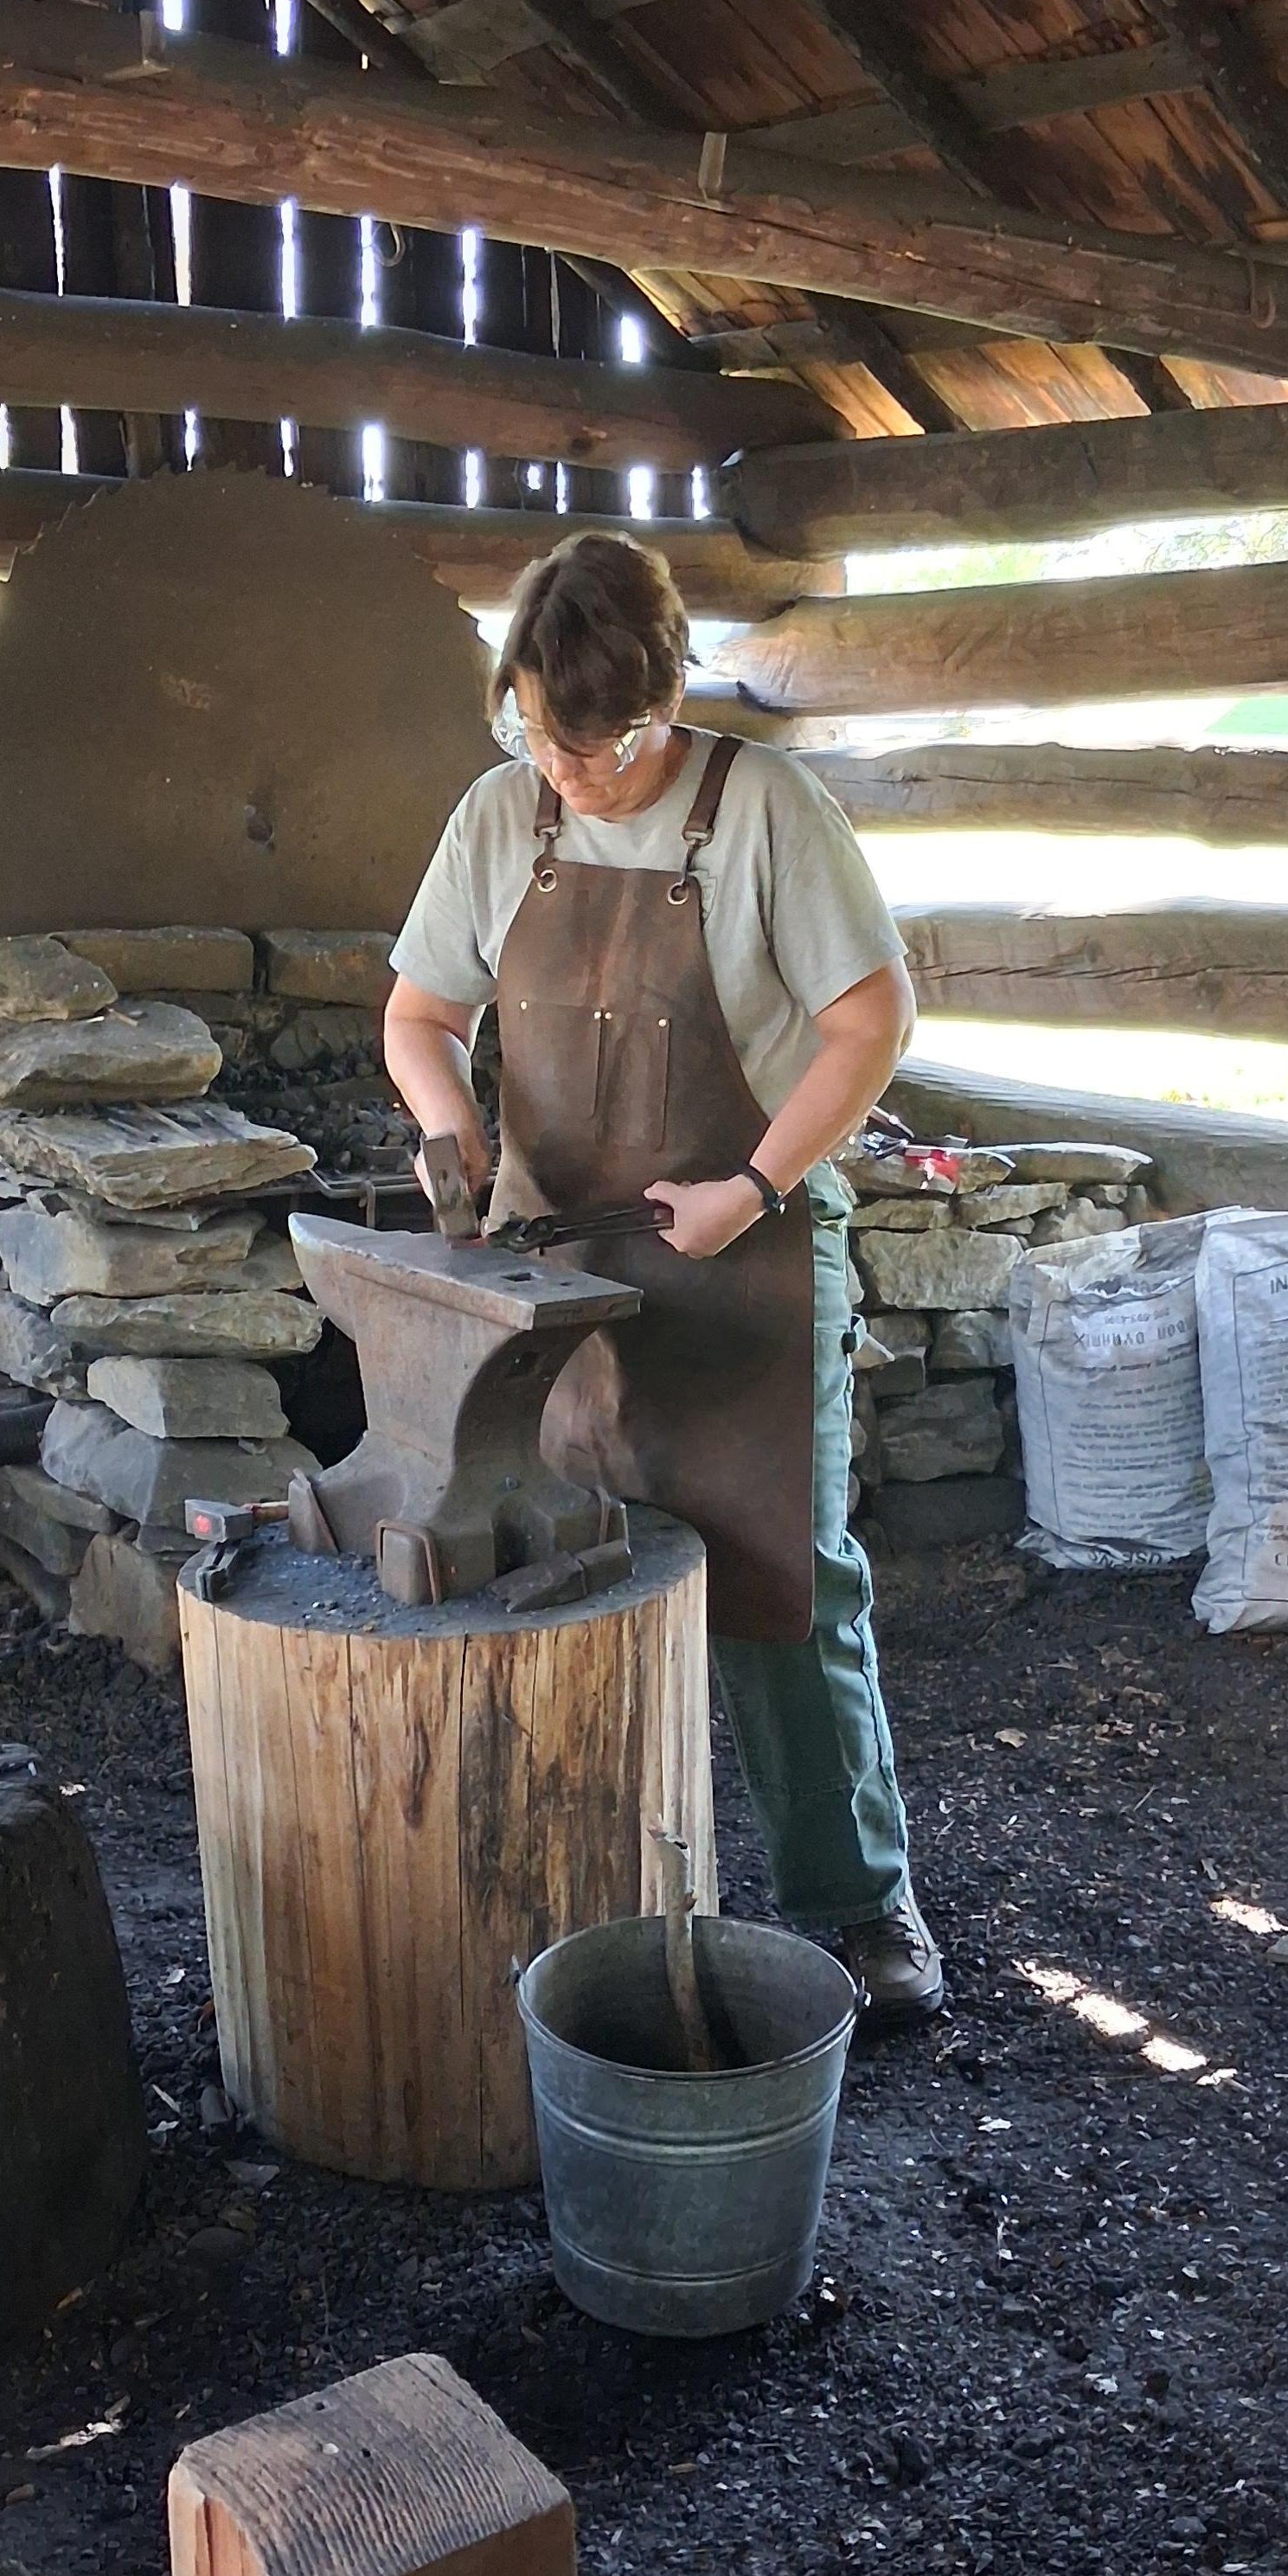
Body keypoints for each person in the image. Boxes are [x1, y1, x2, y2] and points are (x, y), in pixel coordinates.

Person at [382, 528, 944, 2027]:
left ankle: (859, 1905)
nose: (568, 770)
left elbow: (872, 1025)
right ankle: (585, 1903)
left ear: (670, 697)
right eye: (536, 733)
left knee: (782, 1588)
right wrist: (451, 1128)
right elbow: (419, 1016)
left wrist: (754, 1184)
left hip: (744, 1265)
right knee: (567, 1576)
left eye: (603, 743)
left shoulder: (767, 813)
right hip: (562, 1288)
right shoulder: (501, 817)